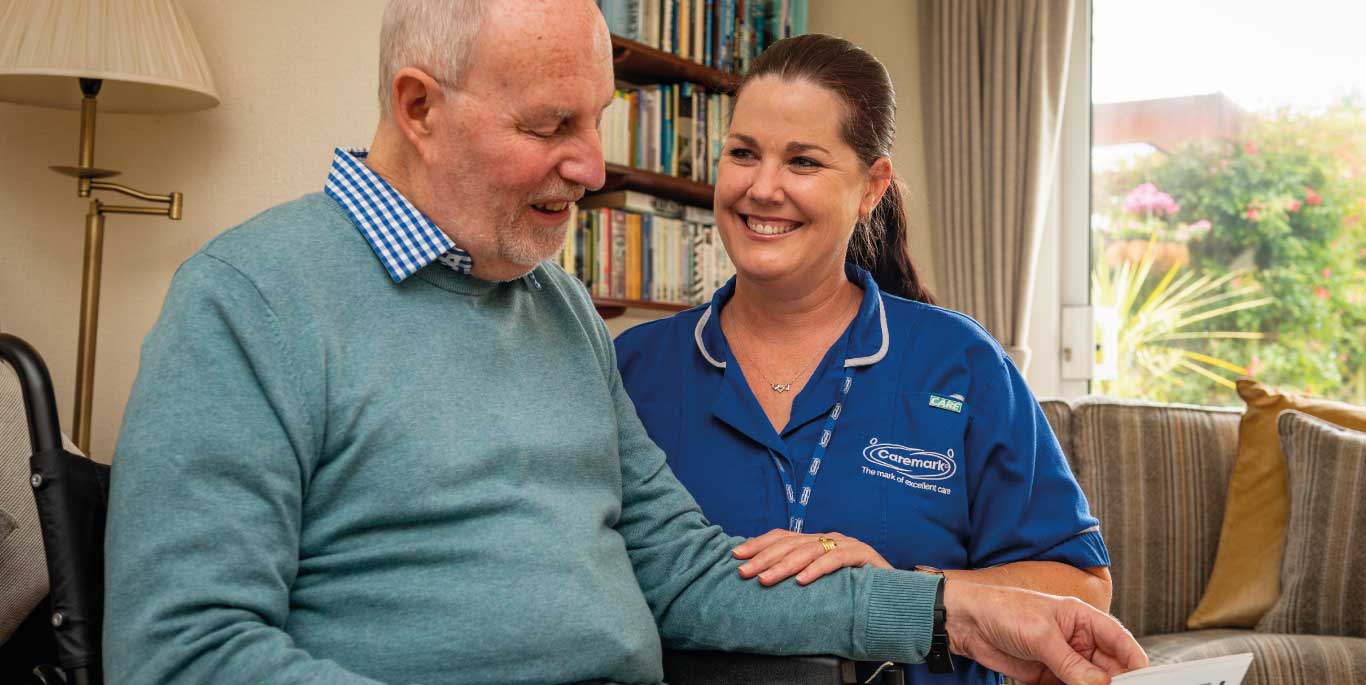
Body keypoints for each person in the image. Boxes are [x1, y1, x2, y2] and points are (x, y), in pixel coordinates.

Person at [101, 2, 1146, 684]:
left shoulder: (557, 310)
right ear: (419, 108)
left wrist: (949, 611)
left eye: (598, 124)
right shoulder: (249, 300)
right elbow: (183, 650)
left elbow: (690, 574)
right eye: (553, 127)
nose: (593, 169)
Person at [615, 34, 1113, 685]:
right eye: (743, 154)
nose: (762, 188)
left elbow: (1081, 591)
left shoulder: (960, 363)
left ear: (872, 187)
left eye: (803, 162)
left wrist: (903, 592)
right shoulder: (632, 366)